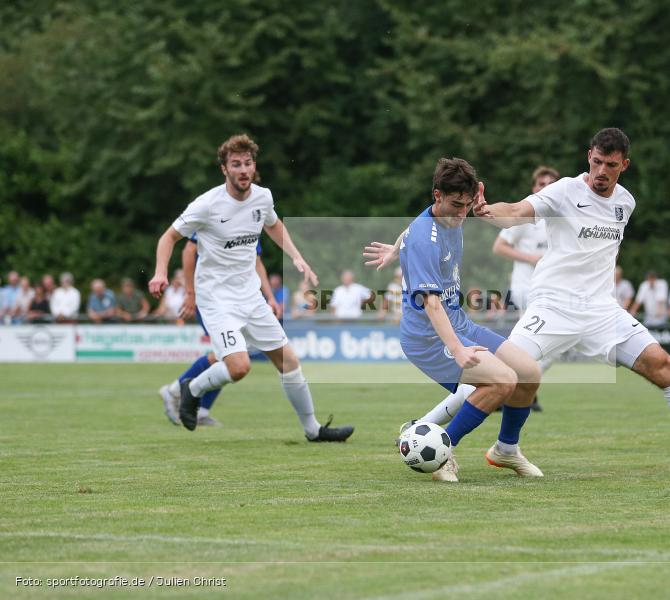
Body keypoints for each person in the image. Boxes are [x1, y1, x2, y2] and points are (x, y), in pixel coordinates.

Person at [372, 128, 670, 472]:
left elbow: (428, 221)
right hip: (552, 308)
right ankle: (424, 430)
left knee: (666, 367)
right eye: (596, 162)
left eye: (610, 165)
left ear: (624, 166)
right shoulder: (564, 191)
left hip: (602, 312)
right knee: (496, 375)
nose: (601, 171)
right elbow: (515, 211)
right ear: (588, 157)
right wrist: (486, 212)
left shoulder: (626, 203)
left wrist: (400, 245)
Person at [148, 133, 353, 441]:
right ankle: (192, 389)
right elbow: (170, 238)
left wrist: (296, 257)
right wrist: (160, 272)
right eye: (236, 164)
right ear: (224, 169)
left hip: (250, 296)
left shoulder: (263, 197)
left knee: (289, 361)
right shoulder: (207, 204)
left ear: (254, 166)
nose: (243, 170)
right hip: (216, 298)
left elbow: (273, 225)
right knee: (239, 367)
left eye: (248, 163)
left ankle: (313, 431)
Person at [364, 157, 544, 482]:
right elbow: (432, 304)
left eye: (467, 205)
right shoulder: (425, 238)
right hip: (429, 339)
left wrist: (395, 248)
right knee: (503, 380)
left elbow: (413, 227)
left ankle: (505, 449)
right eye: (456, 205)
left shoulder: (446, 216)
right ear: (437, 195)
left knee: (529, 372)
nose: (462, 214)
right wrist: (458, 350)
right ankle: (443, 452)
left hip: (460, 324)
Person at [158, 235, 277, 427]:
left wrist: (269, 297)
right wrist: (190, 293)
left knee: (227, 356)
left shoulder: (251, 221)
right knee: (229, 357)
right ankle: (175, 391)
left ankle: (197, 406)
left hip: (238, 302)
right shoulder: (213, 217)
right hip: (212, 301)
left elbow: (256, 262)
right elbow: (188, 250)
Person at [491, 166, 558, 313]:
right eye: (542, 184)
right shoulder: (526, 215)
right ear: (534, 189)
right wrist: (532, 259)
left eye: (551, 184)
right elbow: (499, 247)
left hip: (553, 289)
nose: (547, 188)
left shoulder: (562, 218)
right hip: (526, 288)